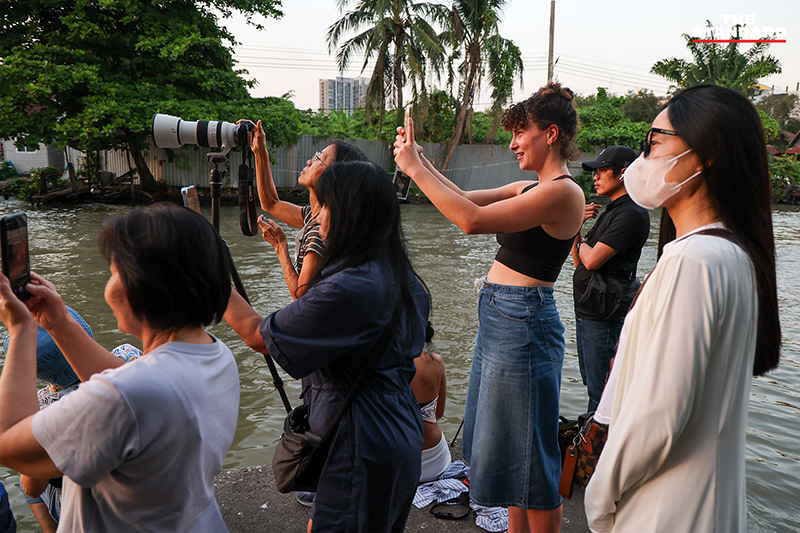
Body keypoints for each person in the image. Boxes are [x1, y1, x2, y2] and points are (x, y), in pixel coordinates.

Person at [584, 85, 781, 532]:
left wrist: (599, 500)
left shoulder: (692, 260)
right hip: (706, 504)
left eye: (654, 144)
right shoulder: (731, 253)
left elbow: (658, 419)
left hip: (664, 511)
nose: (642, 161)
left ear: (705, 155)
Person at [394, 82, 586, 532]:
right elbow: (461, 198)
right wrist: (419, 163)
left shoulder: (564, 193)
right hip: (501, 317)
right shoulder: (528, 188)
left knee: (531, 455)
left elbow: (470, 221)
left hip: (524, 322)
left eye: (520, 132)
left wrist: (414, 167)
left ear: (551, 134)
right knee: (509, 450)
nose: (513, 143)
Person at [0, 203, 240, 531]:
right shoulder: (214, 353)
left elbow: (10, 446)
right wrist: (58, 323)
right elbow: (128, 385)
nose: (109, 285)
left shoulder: (126, 396)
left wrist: (21, 330)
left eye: (113, 273)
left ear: (140, 286)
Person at [224, 161, 430, 532]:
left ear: (349, 213)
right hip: (400, 430)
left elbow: (259, 336)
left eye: (323, 206)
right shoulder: (405, 278)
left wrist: (210, 279)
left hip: (359, 442)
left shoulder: (349, 288)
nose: (316, 217)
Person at [244, 119, 368, 299]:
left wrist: (280, 247)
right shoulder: (314, 215)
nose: (309, 161)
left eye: (319, 158)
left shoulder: (320, 230)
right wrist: (260, 151)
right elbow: (271, 203)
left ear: (334, 176)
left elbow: (301, 294)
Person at [571, 145, 649, 411]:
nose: (595, 177)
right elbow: (580, 262)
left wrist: (583, 242)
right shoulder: (613, 210)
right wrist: (577, 227)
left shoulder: (631, 214)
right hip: (590, 307)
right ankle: (591, 433)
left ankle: (599, 436)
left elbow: (592, 260)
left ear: (623, 173)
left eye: (602, 171)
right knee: (593, 384)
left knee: (602, 391)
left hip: (605, 312)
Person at [412, 321, 451, 483]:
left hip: (403, 462)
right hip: (437, 460)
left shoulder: (391, 364)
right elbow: (438, 414)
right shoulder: (437, 362)